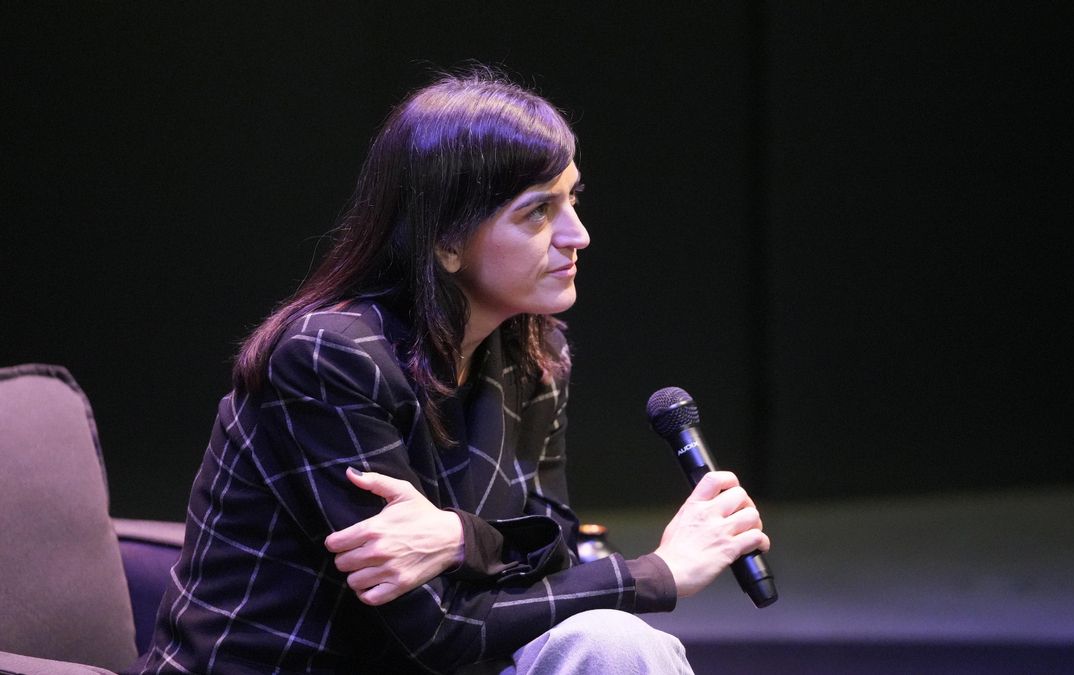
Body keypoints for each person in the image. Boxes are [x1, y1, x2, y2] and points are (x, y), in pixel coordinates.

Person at [130, 69, 769, 674]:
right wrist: (659, 570)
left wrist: (458, 540)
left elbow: (553, 552)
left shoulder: (535, 355)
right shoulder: (331, 358)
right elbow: (433, 631)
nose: (578, 235)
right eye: (538, 211)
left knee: (612, 643)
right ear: (447, 242)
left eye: (572, 199)